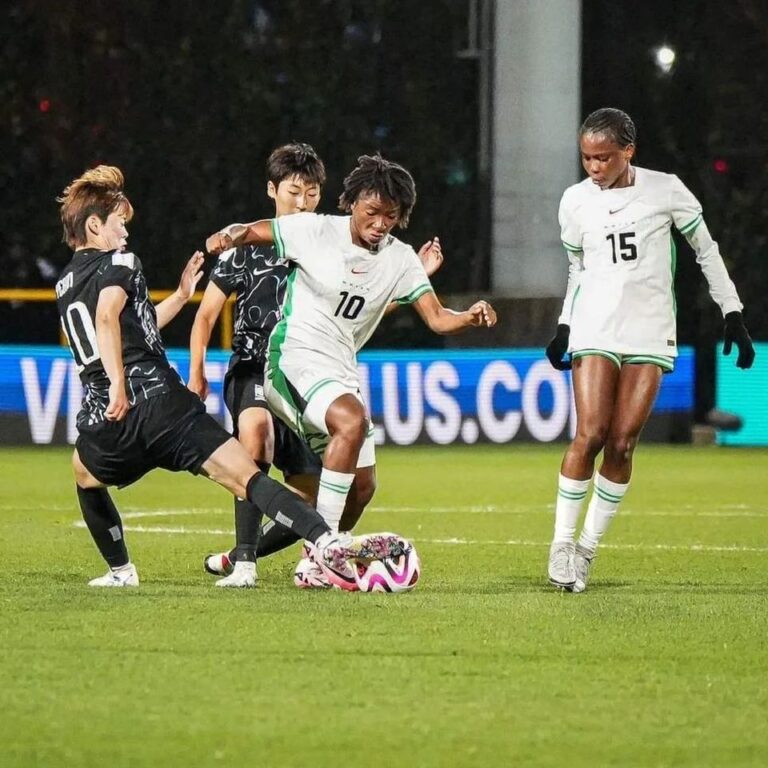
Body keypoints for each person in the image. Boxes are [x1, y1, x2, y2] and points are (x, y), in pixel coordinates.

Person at [54, 164, 402, 588]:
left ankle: (120, 571)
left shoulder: (66, 283)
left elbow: (127, 327)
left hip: (106, 426)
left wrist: (181, 296)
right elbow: (109, 318)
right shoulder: (121, 260)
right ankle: (326, 544)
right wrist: (121, 386)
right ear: (94, 225)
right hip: (160, 406)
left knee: (84, 475)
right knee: (249, 478)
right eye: (118, 223)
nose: (125, 232)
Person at [206, 153, 497, 588]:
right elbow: (251, 231)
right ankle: (319, 556)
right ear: (352, 203)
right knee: (350, 421)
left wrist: (470, 316)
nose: (380, 223)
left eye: (391, 216)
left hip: (340, 371)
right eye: (372, 212)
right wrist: (228, 235)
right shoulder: (316, 229)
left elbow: (436, 318)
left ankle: (267, 554)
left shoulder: (400, 259)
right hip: (292, 358)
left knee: (360, 489)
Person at [544, 108, 755, 593]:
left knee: (622, 442)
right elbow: (577, 269)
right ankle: (560, 544)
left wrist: (732, 312)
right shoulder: (574, 201)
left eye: (603, 157)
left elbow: (707, 249)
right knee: (591, 432)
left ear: (628, 151)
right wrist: (564, 325)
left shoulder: (666, 189)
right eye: (586, 158)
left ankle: (586, 551)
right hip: (595, 326)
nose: (593, 167)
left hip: (649, 328)